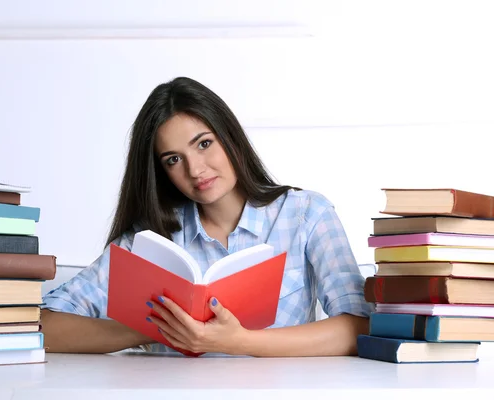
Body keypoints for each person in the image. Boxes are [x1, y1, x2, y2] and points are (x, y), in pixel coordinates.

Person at [41, 76, 373, 357]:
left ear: (229, 137)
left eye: (203, 144)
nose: (195, 170)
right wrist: (154, 328)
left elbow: (358, 326)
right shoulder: (151, 240)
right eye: (173, 159)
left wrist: (239, 341)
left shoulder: (306, 215)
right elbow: (46, 325)